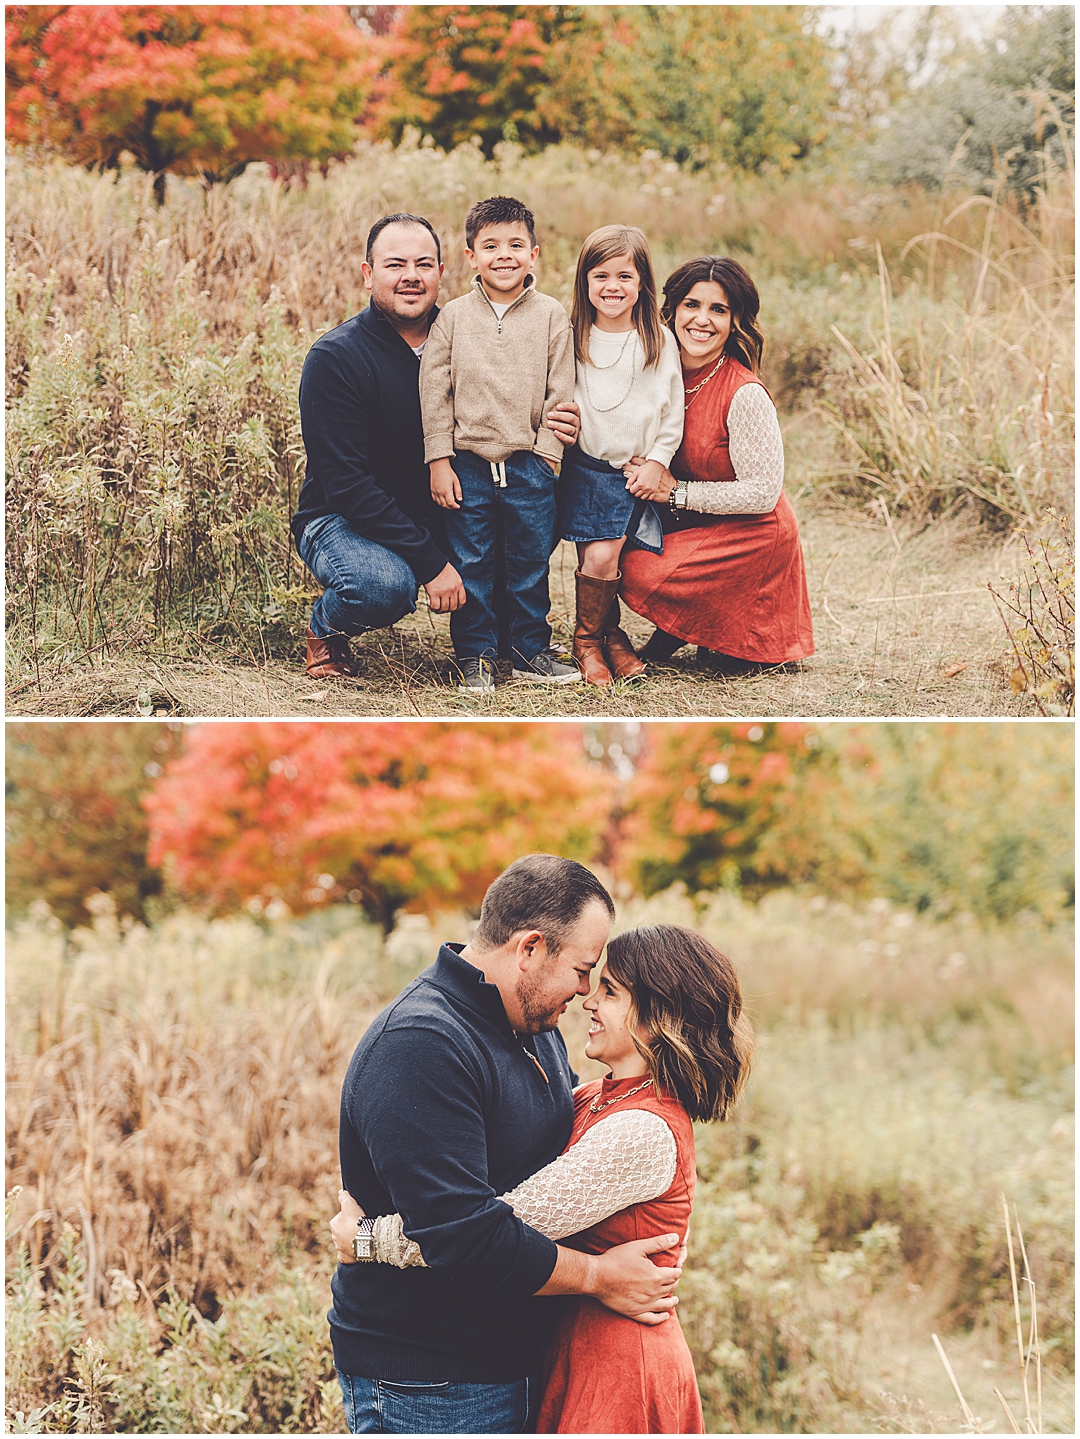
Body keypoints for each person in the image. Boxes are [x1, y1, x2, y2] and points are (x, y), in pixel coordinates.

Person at [333, 922, 753, 1434]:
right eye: (592, 981)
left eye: (610, 991)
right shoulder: (597, 1096)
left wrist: (368, 1239)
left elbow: (493, 1229)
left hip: (618, 1360)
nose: (588, 1001)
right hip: (571, 1345)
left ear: (658, 1018)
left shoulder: (640, 1131)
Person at [291, 212, 581, 680]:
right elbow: (344, 484)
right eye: (394, 265)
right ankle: (327, 629)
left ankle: (514, 641)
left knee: (528, 519)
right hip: (343, 517)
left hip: (452, 501)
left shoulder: (469, 329)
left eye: (424, 264)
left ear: (443, 273)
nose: (411, 276)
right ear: (368, 274)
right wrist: (432, 563)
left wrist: (562, 424)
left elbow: (540, 382)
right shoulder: (337, 358)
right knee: (382, 585)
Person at [618, 255, 815, 674]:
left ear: (735, 321)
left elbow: (762, 492)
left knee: (640, 570)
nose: (702, 320)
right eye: (692, 305)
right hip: (696, 522)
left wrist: (675, 492)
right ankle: (678, 630)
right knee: (614, 551)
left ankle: (720, 634)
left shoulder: (744, 393)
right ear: (670, 311)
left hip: (754, 532)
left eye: (718, 309)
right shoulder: (655, 373)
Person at [421, 196, 580, 692]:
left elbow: (562, 391)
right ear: (471, 256)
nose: (503, 255)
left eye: (515, 245)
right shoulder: (452, 318)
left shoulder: (552, 316)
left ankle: (529, 650)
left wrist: (548, 457)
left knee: (530, 564)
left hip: (529, 463)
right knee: (473, 564)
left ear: (535, 254)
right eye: (490, 245)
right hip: (466, 464)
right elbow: (435, 390)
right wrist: (438, 458)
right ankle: (476, 656)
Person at [559, 225, 684, 687]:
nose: (613, 287)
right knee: (601, 557)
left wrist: (658, 459)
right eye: (601, 276)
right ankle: (591, 642)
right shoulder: (572, 337)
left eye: (625, 277)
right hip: (587, 468)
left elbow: (672, 412)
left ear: (642, 283)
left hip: (636, 471)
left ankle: (607, 637)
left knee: (611, 559)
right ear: (585, 282)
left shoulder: (658, 340)